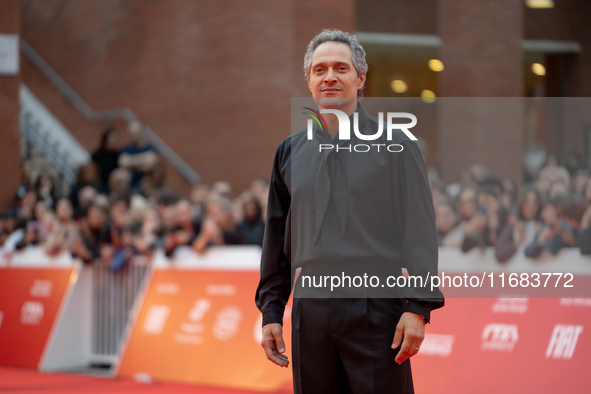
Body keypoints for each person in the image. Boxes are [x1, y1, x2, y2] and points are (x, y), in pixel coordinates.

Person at [255, 29, 444, 394]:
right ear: (309, 82)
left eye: (340, 68)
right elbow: (275, 239)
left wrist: (418, 306)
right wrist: (271, 312)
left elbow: (419, 228)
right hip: (310, 306)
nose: (329, 77)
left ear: (360, 79)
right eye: (319, 69)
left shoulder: (397, 145)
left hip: (376, 303)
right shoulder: (288, 152)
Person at [118, 120, 159, 194]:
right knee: (119, 174)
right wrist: (143, 160)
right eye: (132, 133)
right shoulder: (128, 147)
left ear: (141, 130)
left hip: (147, 178)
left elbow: (150, 163)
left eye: (135, 132)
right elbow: (122, 162)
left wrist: (131, 162)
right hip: (132, 177)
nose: (134, 135)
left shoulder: (150, 146)